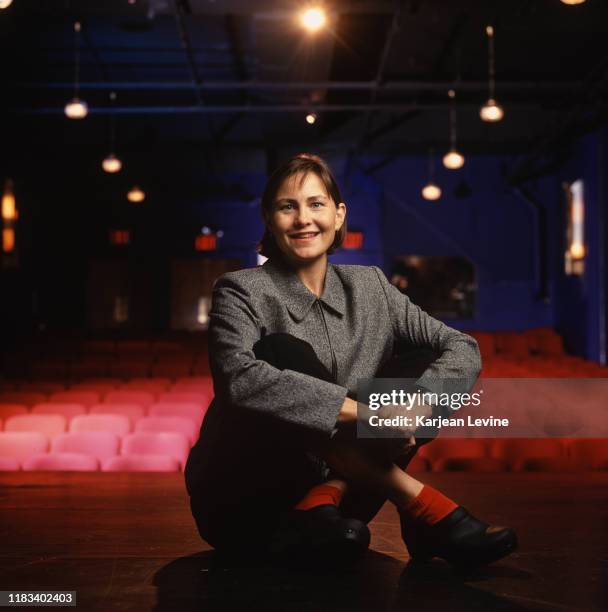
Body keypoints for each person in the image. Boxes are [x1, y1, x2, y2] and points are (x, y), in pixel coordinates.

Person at [185, 153, 517, 568]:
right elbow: (238, 380)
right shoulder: (239, 290)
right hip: (245, 502)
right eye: (288, 206)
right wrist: (366, 415)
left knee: (426, 359)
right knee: (279, 353)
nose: (303, 218)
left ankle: (328, 496)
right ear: (270, 219)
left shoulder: (372, 285)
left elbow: (461, 347)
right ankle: (424, 508)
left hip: (342, 510)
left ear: (339, 215)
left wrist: (416, 409)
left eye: (316, 204)